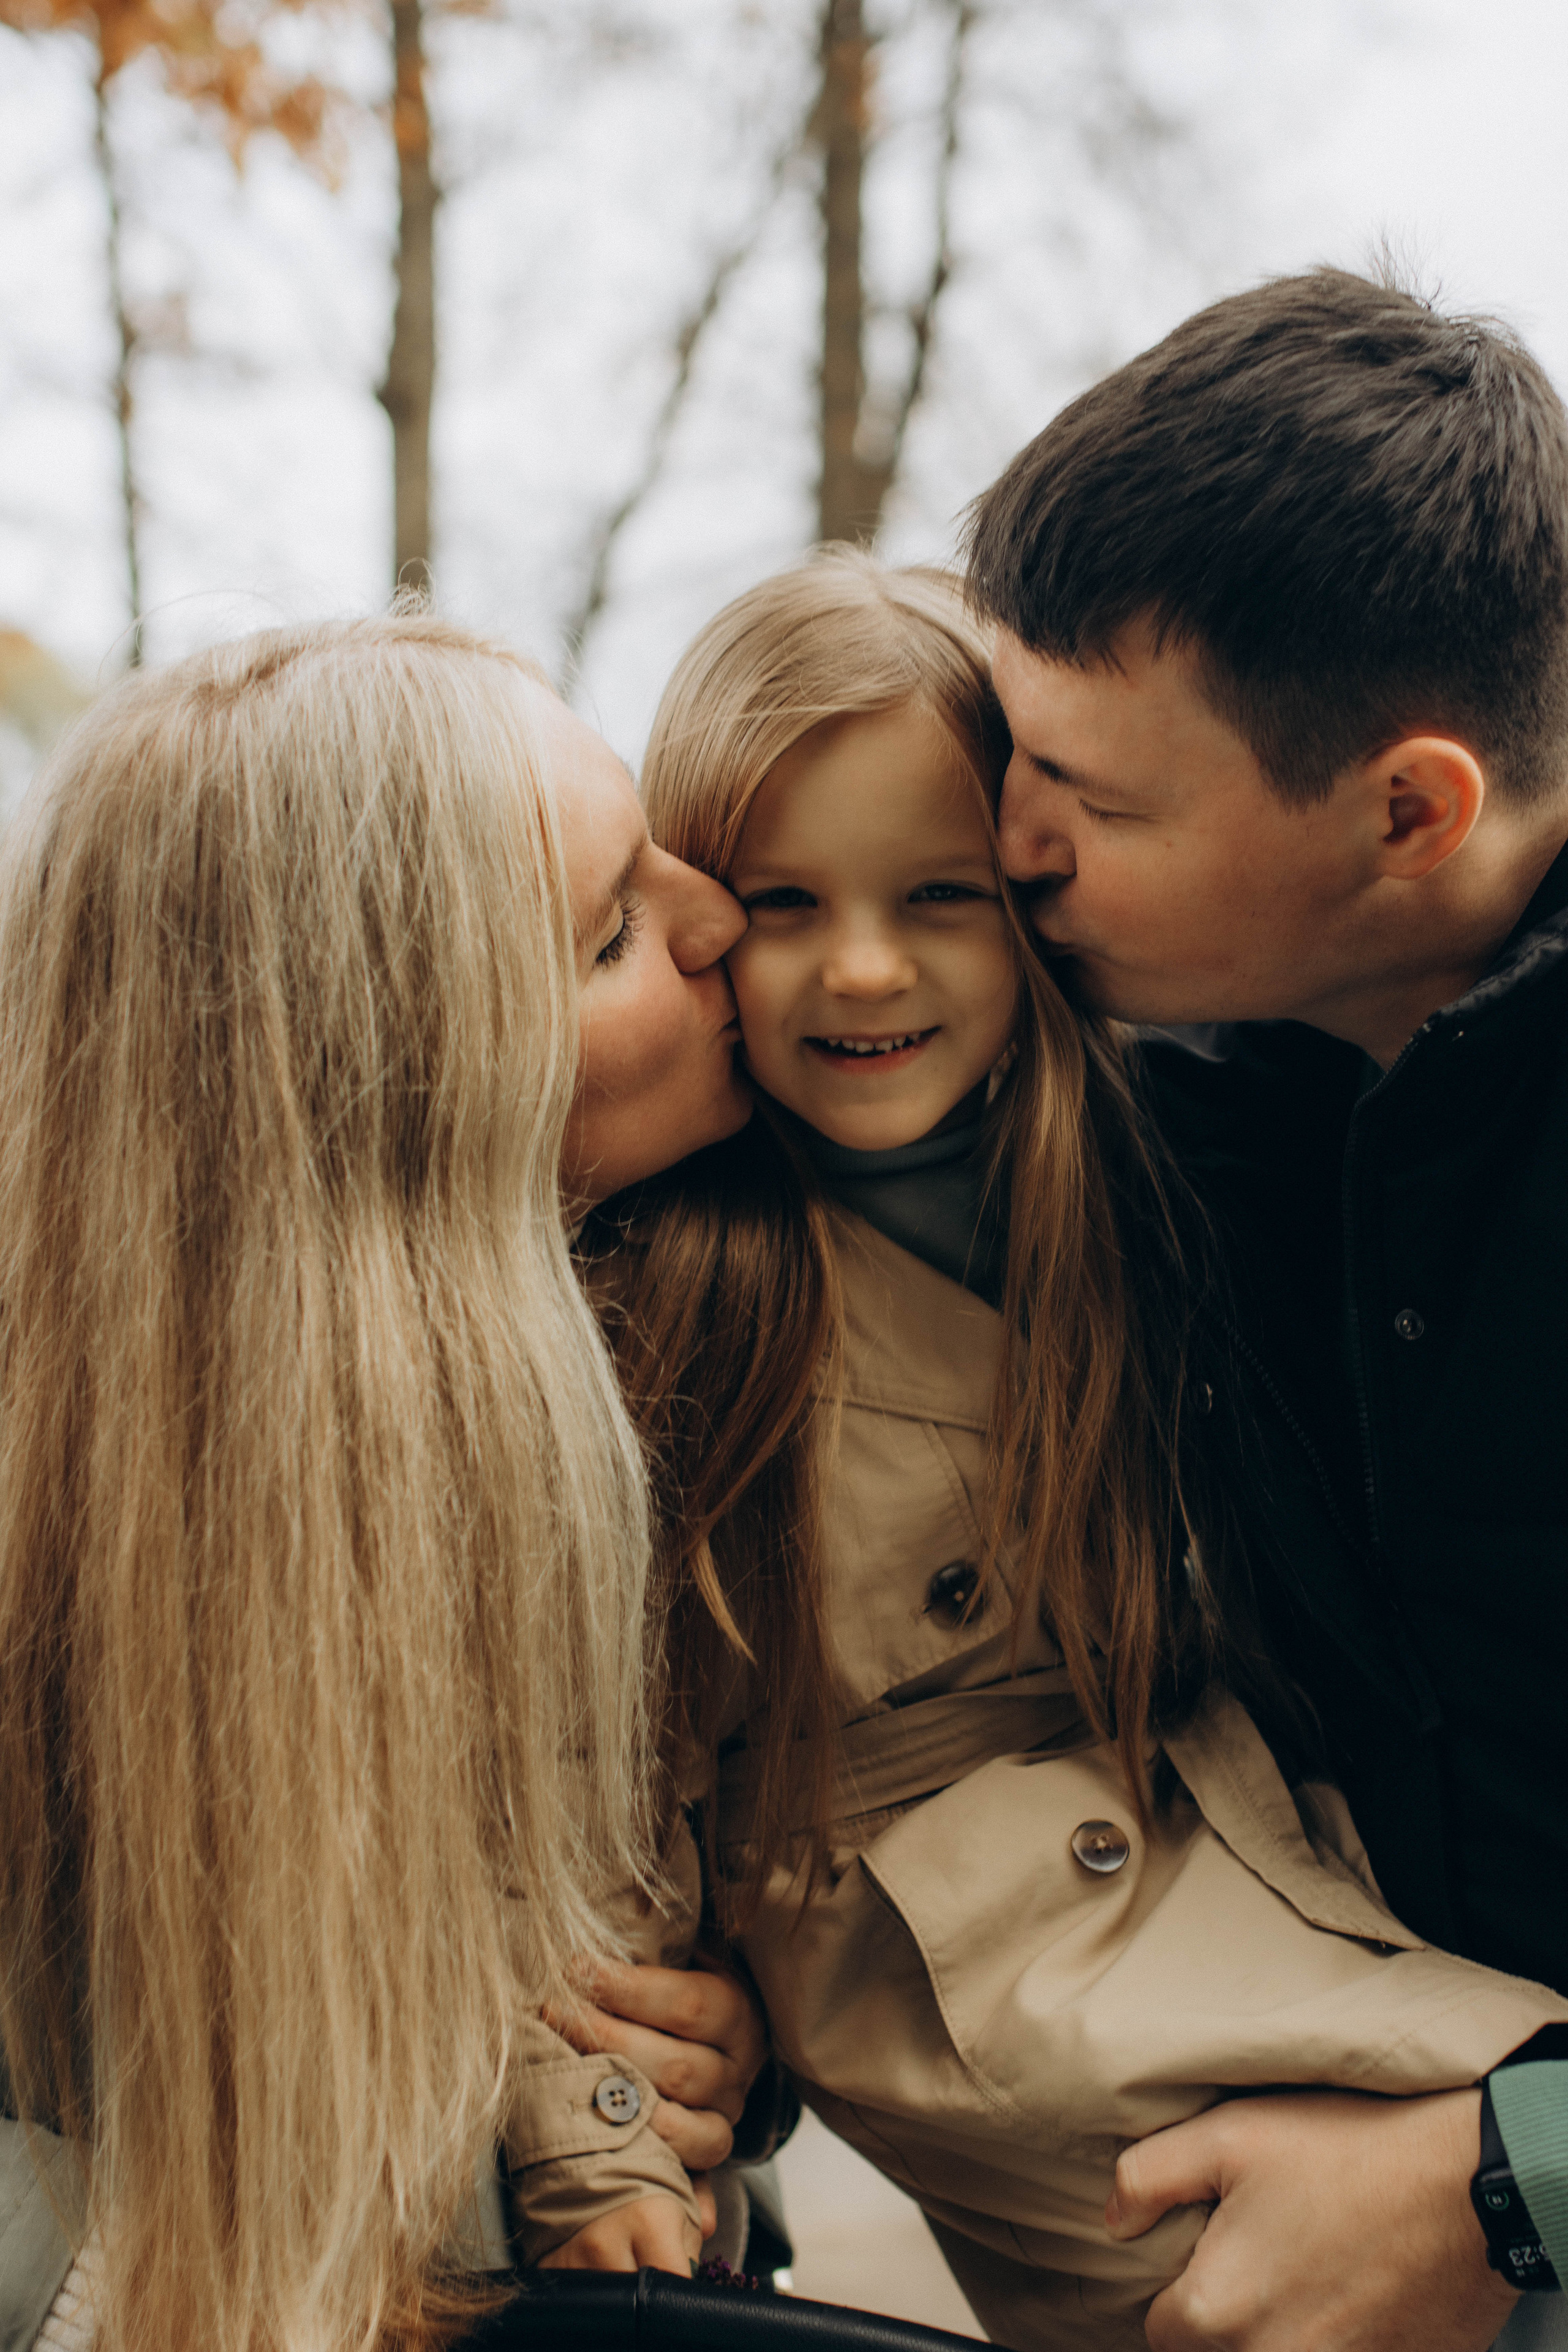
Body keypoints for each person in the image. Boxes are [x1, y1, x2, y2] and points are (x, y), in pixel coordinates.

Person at [502, 552, 1566, 2352]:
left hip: (1264, 1868)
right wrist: (611, 2140)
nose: (860, 966)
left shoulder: (1138, 1180)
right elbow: (609, 1774)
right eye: (780, 900)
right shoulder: (684, 1297)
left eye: (941, 894)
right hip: (999, 1987)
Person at [0, 611, 758, 2352]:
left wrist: (729, 2036)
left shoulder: (733, 1301)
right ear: (410, 1090)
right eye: (617, 931)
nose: (723, 918)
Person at [965, 266, 1568, 2352]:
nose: (1009, 845)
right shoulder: (1169, 1086)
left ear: (1411, 813)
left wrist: (1516, 2187)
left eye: (1097, 805)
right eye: (1007, 745)